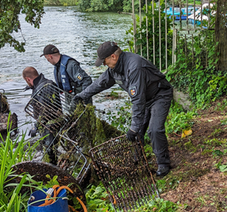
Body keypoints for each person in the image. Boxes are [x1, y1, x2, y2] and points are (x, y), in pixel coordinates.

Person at [73, 41, 174, 177]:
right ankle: (137, 160)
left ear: (113, 57)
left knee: (154, 129)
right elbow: (101, 83)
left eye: (104, 61)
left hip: (159, 95)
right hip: (145, 97)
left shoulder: (134, 67)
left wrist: (133, 128)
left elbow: (138, 101)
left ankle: (163, 164)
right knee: (138, 132)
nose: (104, 64)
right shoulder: (115, 69)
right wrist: (82, 95)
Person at [40, 44, 93, 113]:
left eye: (46, 58)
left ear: (50, 56)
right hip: (70, 98)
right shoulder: (57, 66)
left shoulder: (71, 65)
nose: (47, 60)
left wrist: (84, 99)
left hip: (80, 98)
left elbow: (87, 80)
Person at [22, 66, 60, 137]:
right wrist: (32, 87)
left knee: (49, 147)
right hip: (50, 122)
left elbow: (45, 111)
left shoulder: (43, 88)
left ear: (28, 79)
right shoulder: (44, 83)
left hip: (51, 126)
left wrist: (35, 126)